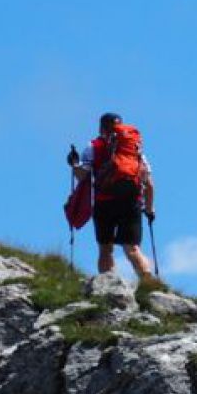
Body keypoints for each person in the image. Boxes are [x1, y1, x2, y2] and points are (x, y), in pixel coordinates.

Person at [73, 112, 156, 280]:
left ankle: (108, 284)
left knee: (106, 248)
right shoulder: (134, 150)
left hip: (104, 203)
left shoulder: (93, 147)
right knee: (132, 248)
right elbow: (149, 183)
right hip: (131, 201)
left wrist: (74, 164)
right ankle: (149, 283)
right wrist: (149, 209)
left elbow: (82, 176)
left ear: (101, 128)